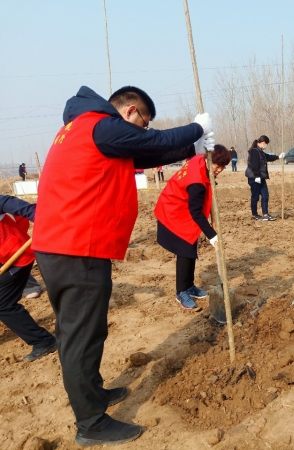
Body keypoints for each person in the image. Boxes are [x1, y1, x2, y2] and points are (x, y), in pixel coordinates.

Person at [32, 85, 214, 446]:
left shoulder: (83, 129)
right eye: (143, 123)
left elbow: (143, 155)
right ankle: (91, 424)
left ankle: (93, 393)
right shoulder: (100, 125)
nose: (144, 130)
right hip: (77, 248)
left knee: (81, 331)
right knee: (81, 337)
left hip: (63, 246)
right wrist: (197, 128)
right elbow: (153, 142)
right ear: (131, 111)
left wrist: (190, 149)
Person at [155, 145, 231, 310]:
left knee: (190, 247)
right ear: (209, 160)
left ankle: (189, 286)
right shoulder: (196, 182)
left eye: (223, 166)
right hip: (173, 210)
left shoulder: (201, 161)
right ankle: (181, 291)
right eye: (218, 165)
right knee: (185, 250)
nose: (220, 169)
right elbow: (196, 212)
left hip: (182, 208)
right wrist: (212, 236)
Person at [0, 195, 56, 362]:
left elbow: (14, 205)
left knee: (3, 305)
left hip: (16, 258)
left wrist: (39, 217)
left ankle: (43, 341)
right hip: (3, 258)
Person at [245, 135, 285, 221]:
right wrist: (257, 176)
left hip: (261, 177)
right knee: (255, 197)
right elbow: (254, 166)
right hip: (254, 178)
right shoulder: (254, 151)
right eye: (266, 144)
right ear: (263, 143)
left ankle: (265, 214)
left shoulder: (261, 152)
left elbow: (268, 157)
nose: (266, 146)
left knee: (265, 195)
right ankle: (255, 214)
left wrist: (278, 157)